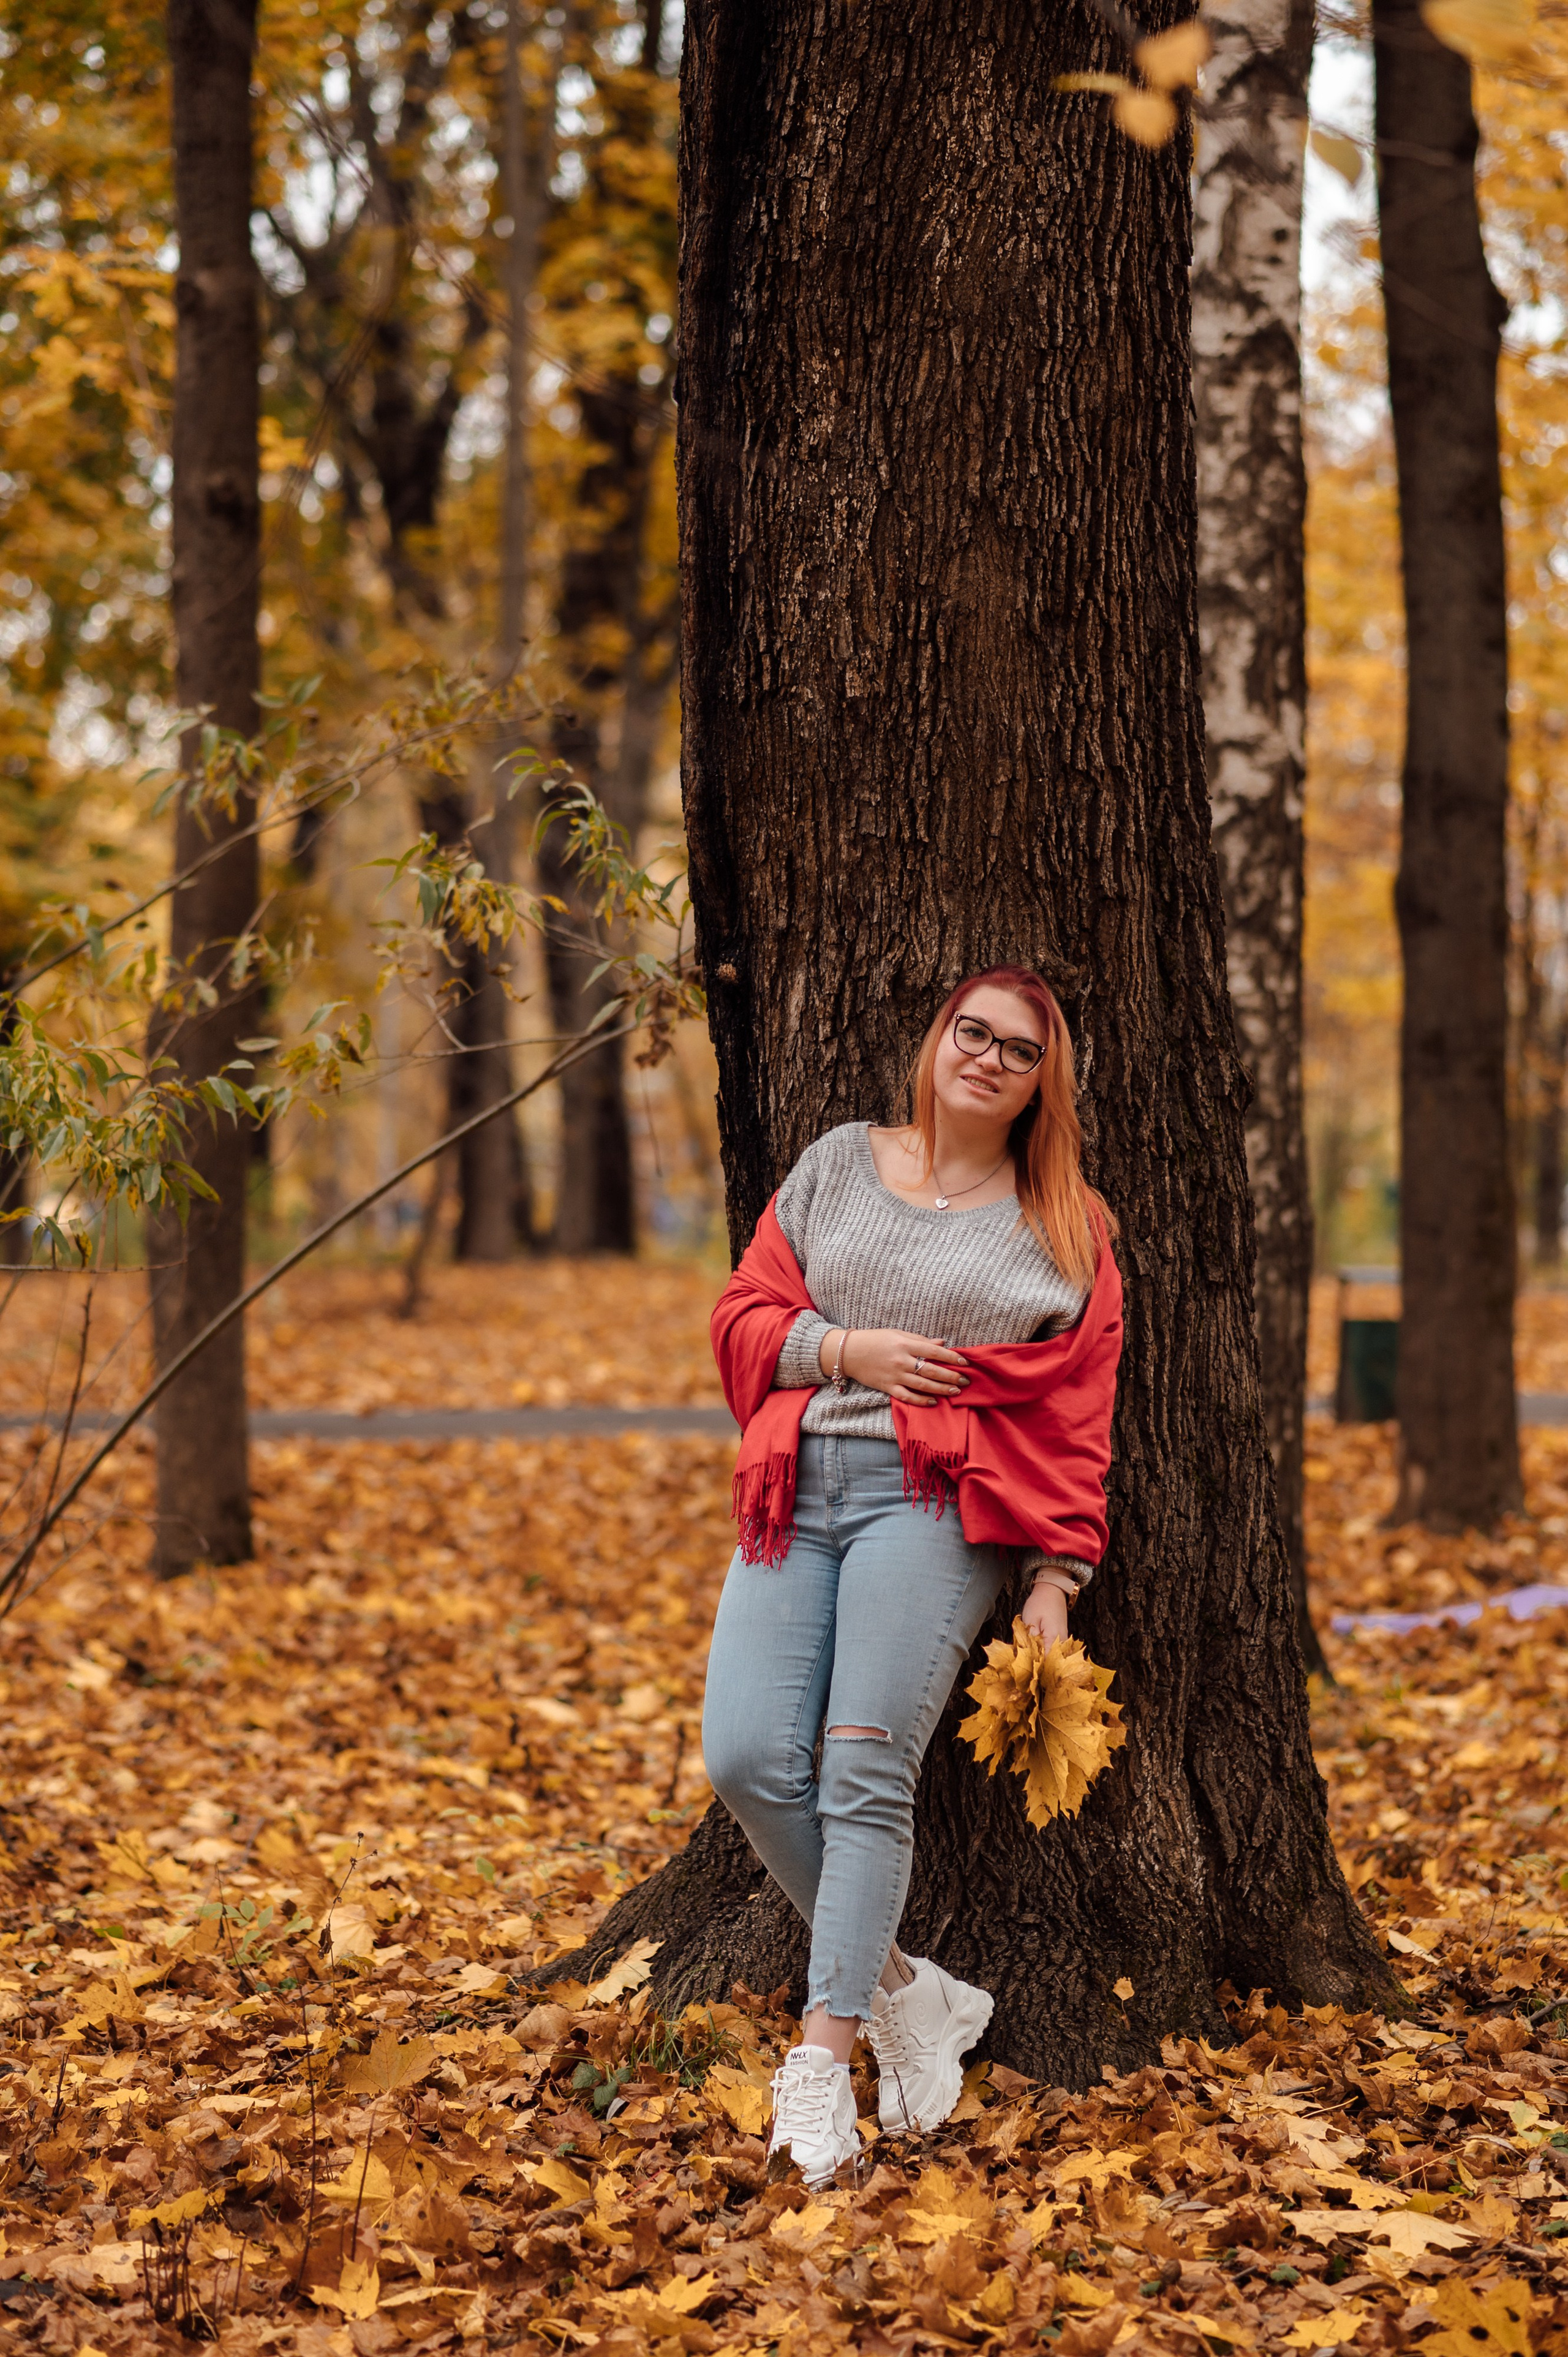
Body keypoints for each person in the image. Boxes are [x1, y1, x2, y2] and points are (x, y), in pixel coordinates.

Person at [702, 966, 1123, 2186]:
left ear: (1044, 1082)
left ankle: (821, 2065)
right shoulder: (838, 1162)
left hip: (934, 1506)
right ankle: (908, 1990)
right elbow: (742, 1314)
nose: (987, 1058)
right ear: (936, 1040)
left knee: (858, 1763)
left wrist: (1052, 1580)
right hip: (794, 1484)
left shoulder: (1064, 1225)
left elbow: (1073, 1415)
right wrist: (843, 1347)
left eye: (1018, 1050)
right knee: (745, 1758)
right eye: (971, 1033)